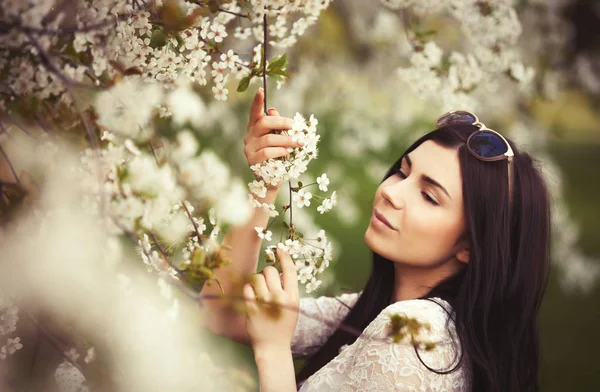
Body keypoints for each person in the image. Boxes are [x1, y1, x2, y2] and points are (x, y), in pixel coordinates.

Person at [201, 88, 551, 392]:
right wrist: (265, 186)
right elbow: (222, 313)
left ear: (471, 246)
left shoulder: (412, 337)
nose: (392, 193)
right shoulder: (385, 312)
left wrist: (273, 351)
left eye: (430, 197)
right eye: (403, 171)